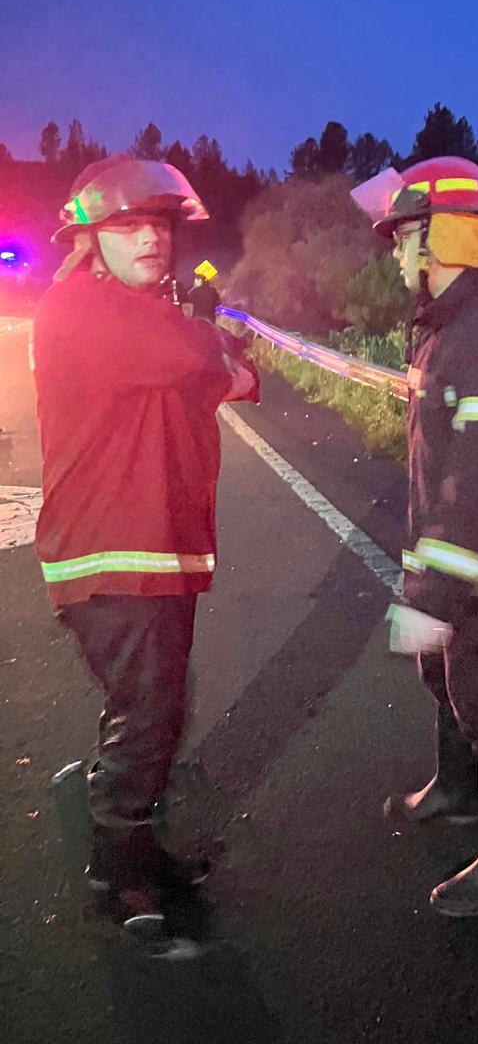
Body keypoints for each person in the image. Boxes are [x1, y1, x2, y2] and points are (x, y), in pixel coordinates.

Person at [32, 154, 258, 918]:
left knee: (146, 703)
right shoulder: (87, 312)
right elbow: (206, 356)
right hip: (114, 555)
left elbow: (221, 376)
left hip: (151, 552)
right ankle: (123, 880)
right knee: (152, 711)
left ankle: (125, 825)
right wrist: (212, 339)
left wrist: (213, 352)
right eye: (128, 226)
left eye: (159, 225)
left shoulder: (137, 314)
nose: (152, 240)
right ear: (90, 238)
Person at [351, 157, 478, 917]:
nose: (397, 253)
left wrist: (432, 595)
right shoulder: (450, 326)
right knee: (445, 683)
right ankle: (457, 793)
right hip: (457, 566)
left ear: (439, 242)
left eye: (405, 237)